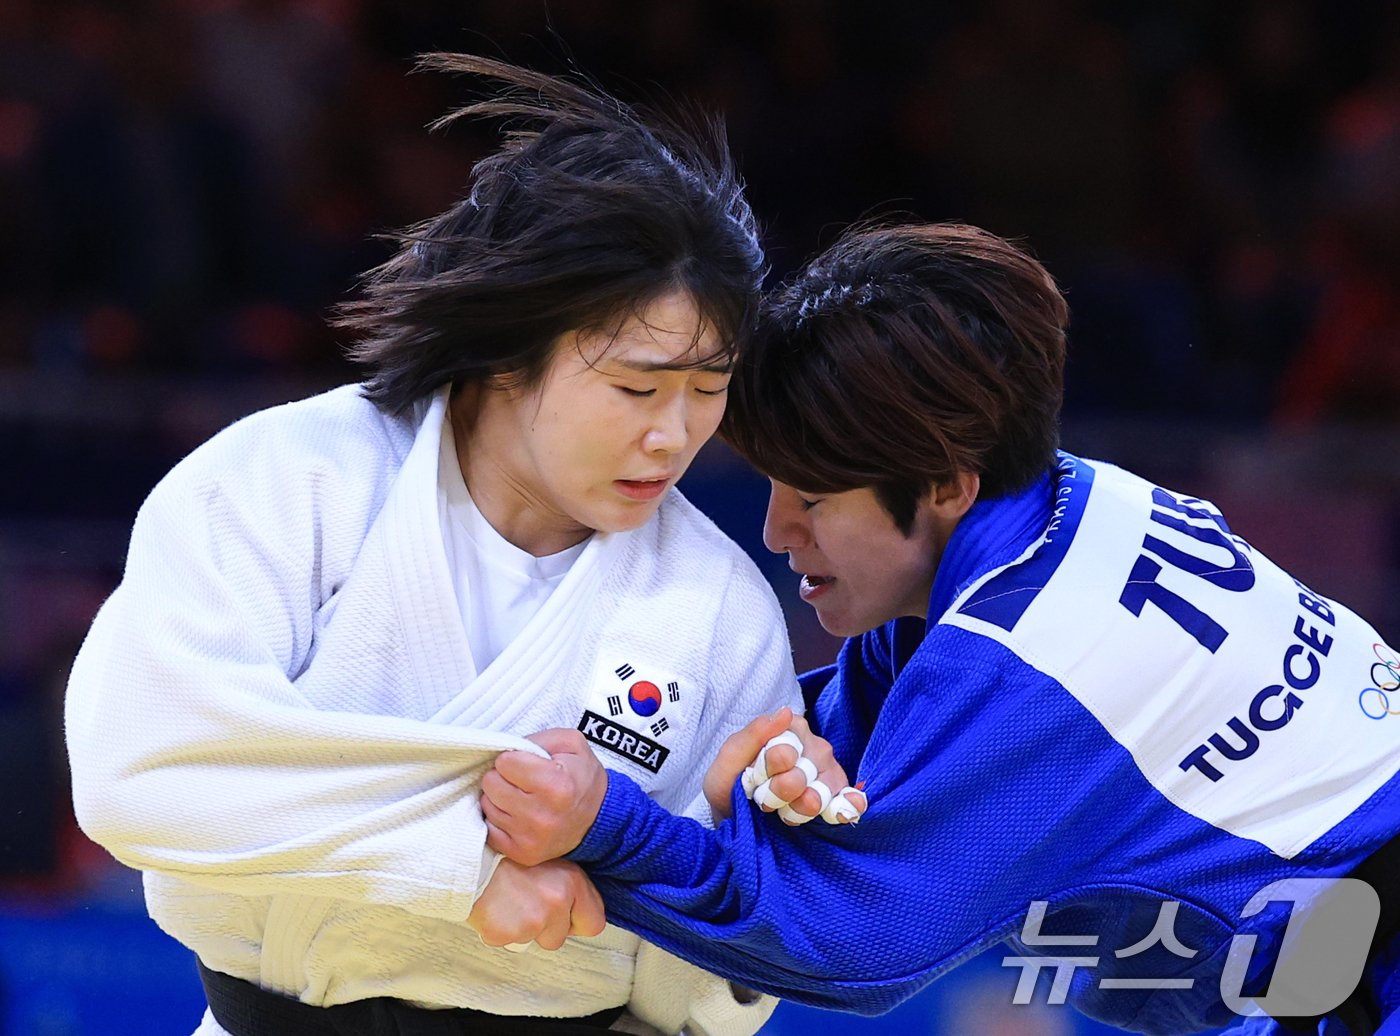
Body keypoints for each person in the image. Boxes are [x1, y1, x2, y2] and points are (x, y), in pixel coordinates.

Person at [64, 54, 846, 1036]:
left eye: (707, 388)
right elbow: (141, 771)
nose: (675, 433)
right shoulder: (288, 482)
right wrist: (463, 859)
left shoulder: (716, 604)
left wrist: (746, 848)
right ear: (509, 352)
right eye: (638, 389)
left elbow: (702, 1005)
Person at [482, 223, 1400, 1035]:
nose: (776, 532)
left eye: (814, 498)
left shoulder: (1029, 662)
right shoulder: (1053, 508)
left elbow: (848, 942)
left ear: (947, 486)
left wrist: (603, 828)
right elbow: (846, 748)